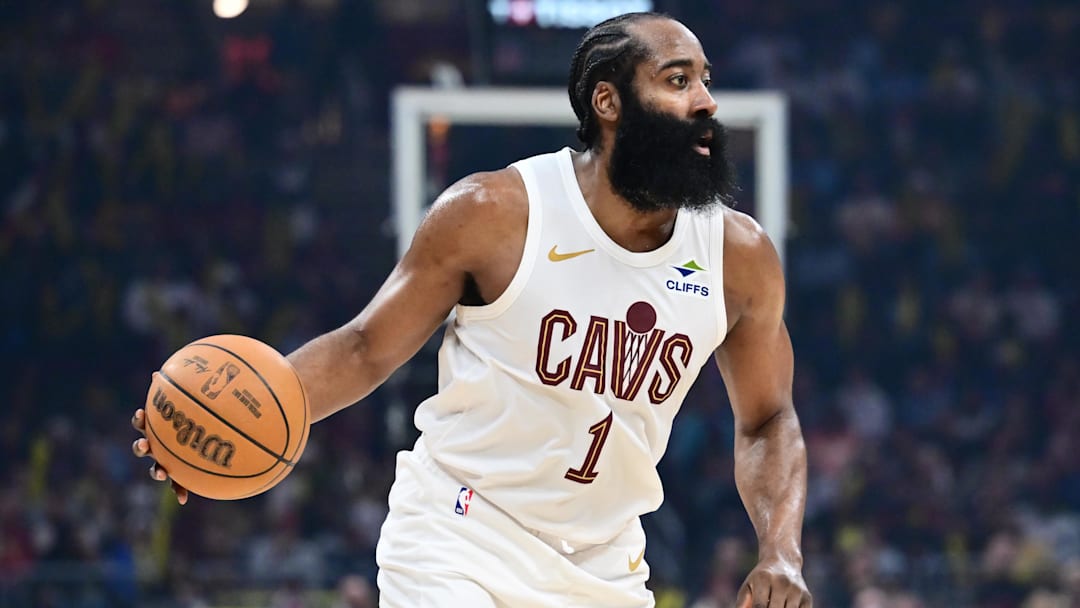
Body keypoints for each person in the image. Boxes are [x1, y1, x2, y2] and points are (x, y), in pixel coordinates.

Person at [131, 11, 812, 607]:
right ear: (609, 102)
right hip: (459, 533)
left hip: (603, 565)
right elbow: (366, 347)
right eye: (677, 80)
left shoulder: (738, 257)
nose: (706, 102)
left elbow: (768, 418)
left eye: (706, 80)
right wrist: (236, 412)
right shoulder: (495, 212)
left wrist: (781, 549)